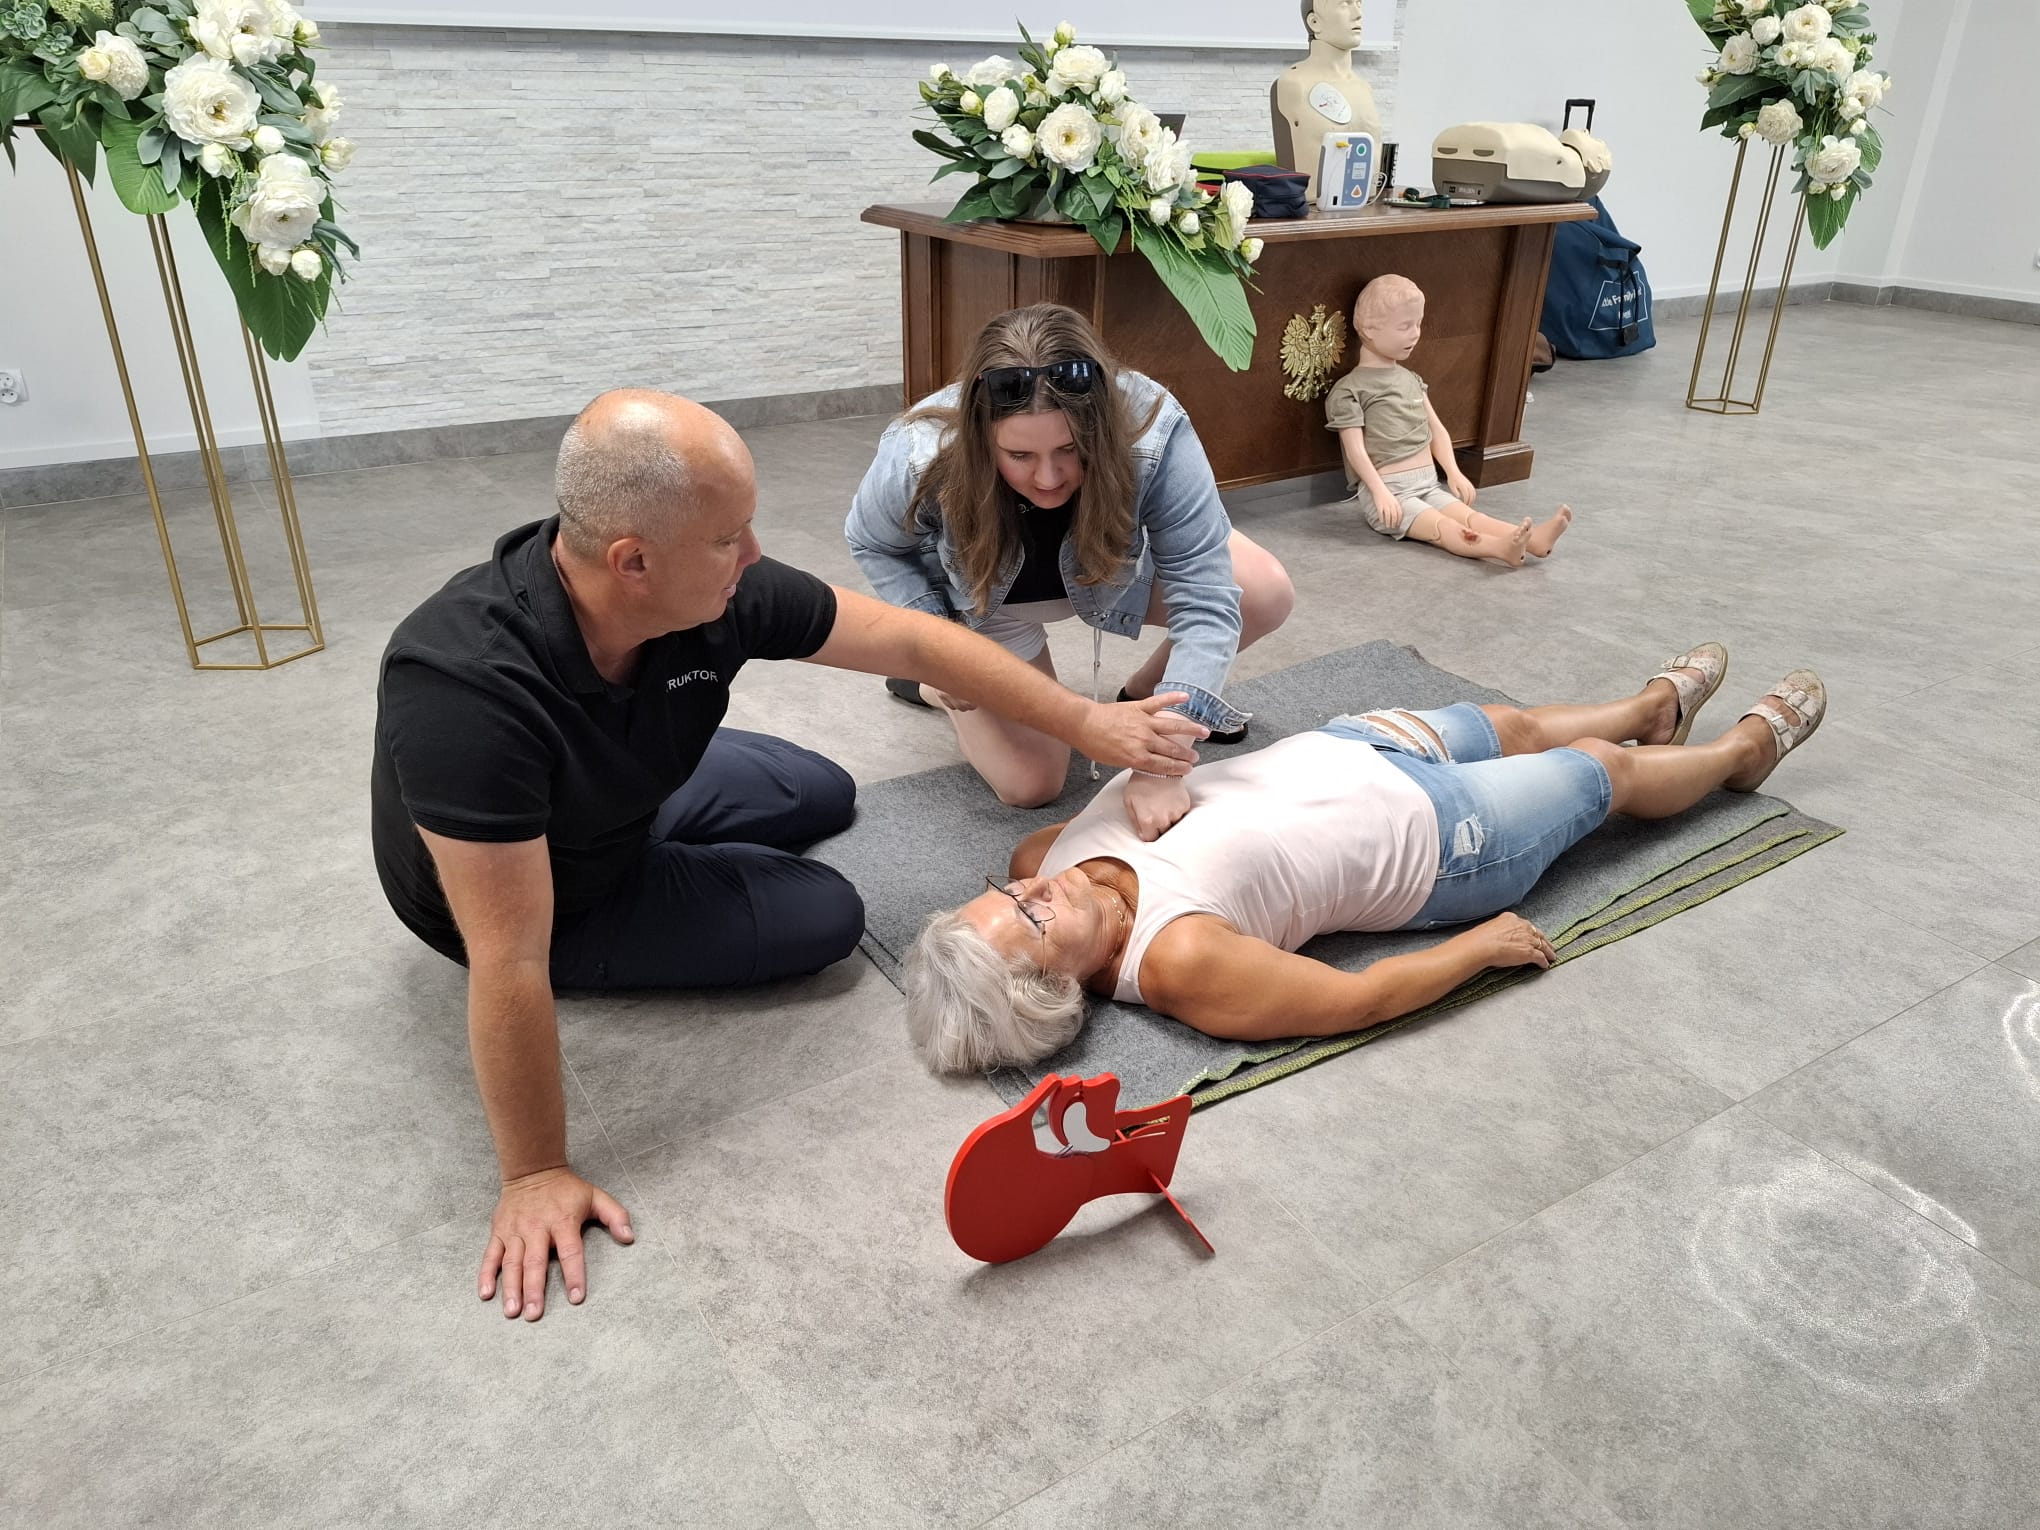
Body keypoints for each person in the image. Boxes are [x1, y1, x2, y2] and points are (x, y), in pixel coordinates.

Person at [371, 389, 1208, 1322]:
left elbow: (908, 638)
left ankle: (657, 799)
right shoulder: (465, 692)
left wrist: (1087, 720)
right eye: (729, 537)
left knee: (823, 790)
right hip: (552, 887)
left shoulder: (708, 590)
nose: (756, 555)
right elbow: (509, 958)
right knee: (825, 914)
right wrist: (533, 1173)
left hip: (629, 787)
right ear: (632, 561)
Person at [903, 643, 1828, 1072]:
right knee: (1602, 771)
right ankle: (1740, 757)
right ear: (1056, 991)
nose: (1033, 885)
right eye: (1030, 918)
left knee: (1514, 725)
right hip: (1441, 844)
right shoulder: (1179, 961)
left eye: (1004, 892)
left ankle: (1652, 709)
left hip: (1354, 746)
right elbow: (1353, 1002)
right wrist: (1475, 951)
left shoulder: (1043, 852)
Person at [845, 303, 1296, 842]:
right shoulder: (920, 449)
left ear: (1100, 427)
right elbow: (873, 542)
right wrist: (939, 646)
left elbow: (1204, 592)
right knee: (1030, 783)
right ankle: (928, 687)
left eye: (1071, 449)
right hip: (985, 603)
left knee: (1262, 591)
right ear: (981, 437)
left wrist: (1163, 758)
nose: (1048, 478)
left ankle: (1143, 700)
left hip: (1114, 573)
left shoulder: (1153, 428)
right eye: (1019, 455)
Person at [1327, 273, 1572, 566]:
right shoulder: (1349, 390)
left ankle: (1535, 541)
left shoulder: (1411, 379)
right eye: (1404, 326)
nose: (1415, 334)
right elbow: (1355, 451)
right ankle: (1499, 548)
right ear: (1369, 329)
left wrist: (1453, 471)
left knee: (1471, 517)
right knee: (1443, 528)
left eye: (1418, 324)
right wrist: (1379, 492)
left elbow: (1437, 430)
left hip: (1429, 483)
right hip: (1392, 493)